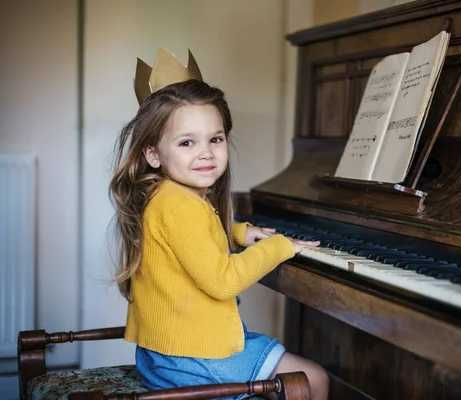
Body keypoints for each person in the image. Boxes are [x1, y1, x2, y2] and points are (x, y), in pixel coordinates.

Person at [109, 78, 329, 400]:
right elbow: (223, 281)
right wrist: (281, 246)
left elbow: (194, 235)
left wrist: (241, 232)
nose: (206, 153)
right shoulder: (181, 206)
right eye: (187, 143)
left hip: (162, 354)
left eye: (215, 139)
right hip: (192, 358)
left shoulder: (166, 196)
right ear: (153, 154)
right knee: (313, 379)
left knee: (280, 368)